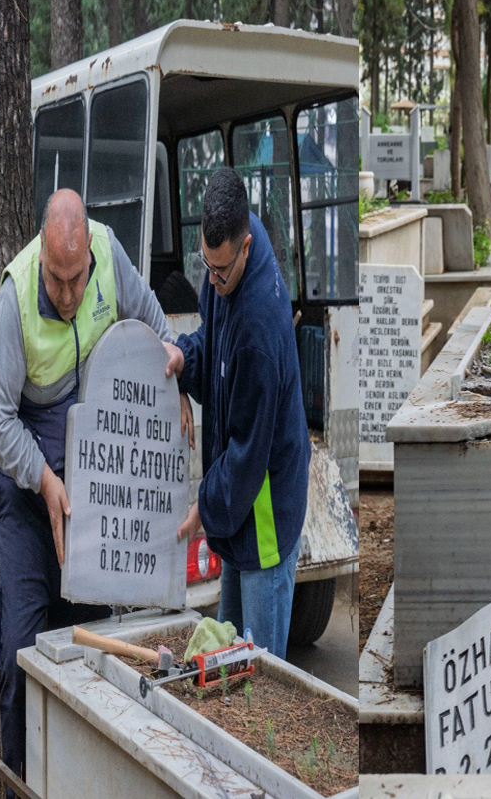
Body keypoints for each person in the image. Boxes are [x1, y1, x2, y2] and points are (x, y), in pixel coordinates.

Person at [0, 189, 181, 781]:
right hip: (32, 495)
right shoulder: (15, 297)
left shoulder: (110, 254)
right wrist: (44, 480)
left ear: (89, 255)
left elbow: (156, 325)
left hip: (94, 494)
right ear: (41, 255)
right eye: (56, 279)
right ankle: (20, 784)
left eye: (77, 280)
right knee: (19, 654)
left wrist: (174, 381)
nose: (68, 295)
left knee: (95, 653)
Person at [171, 167, 310, 659]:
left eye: (221, 272)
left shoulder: (258, 329)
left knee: (260, 678)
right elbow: (214, 345)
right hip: (238, 510)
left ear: (246, 246)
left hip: (264, 511)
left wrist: (202, 509)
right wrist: (184, 358)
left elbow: (247, 455)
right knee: (227, 664)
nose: (212, 281)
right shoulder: (228, 260)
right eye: (206, 266)